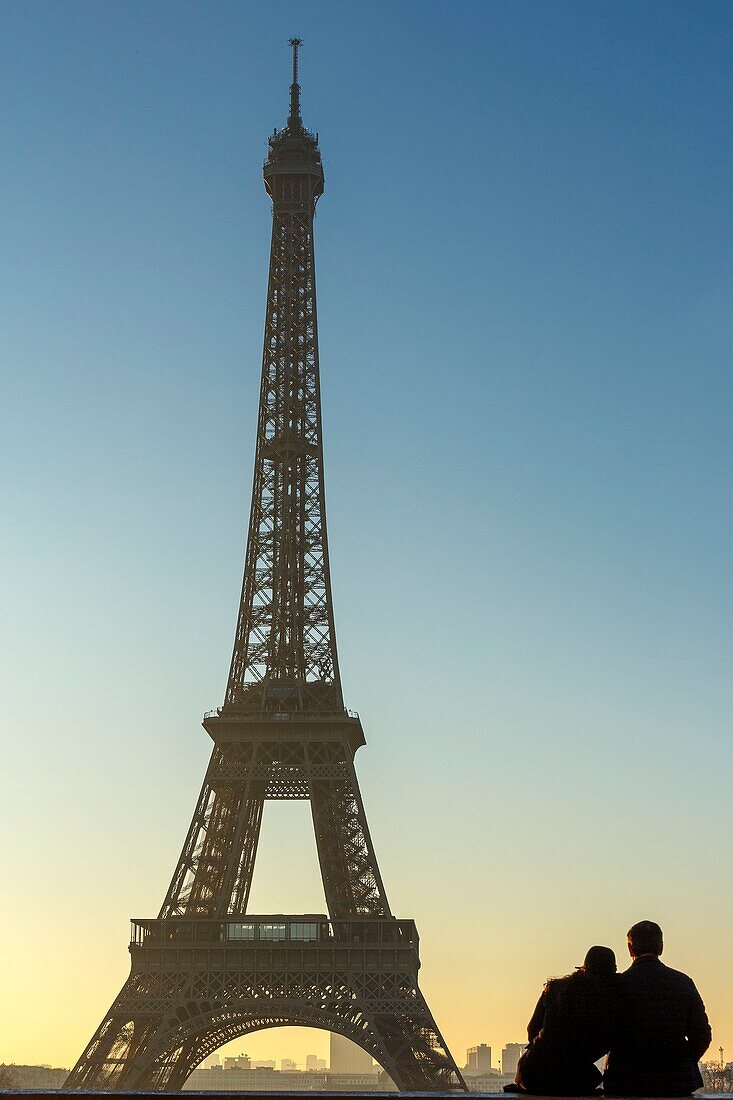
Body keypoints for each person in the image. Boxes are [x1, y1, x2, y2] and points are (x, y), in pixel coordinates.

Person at [604, 920, 711, 1096]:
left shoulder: (618, 986)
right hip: (677, 1082)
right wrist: (683, 1060)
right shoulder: (683, 982)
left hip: (626, 1080)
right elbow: (702, 1034)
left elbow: (605, 1033)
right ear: (661, 947)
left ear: (631, 949)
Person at [511, 945, 620, 1095]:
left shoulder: (555, 988)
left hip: (531, 1071)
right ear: (612, 971)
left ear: (584, 967)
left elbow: (532, 1030)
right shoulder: (608, 999)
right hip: (572, 1076)